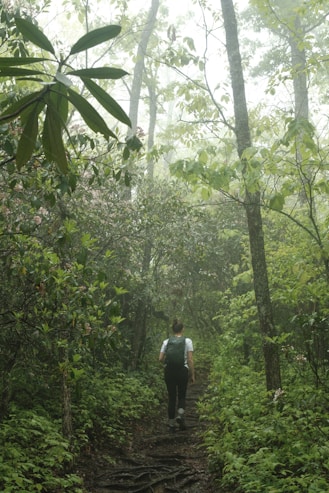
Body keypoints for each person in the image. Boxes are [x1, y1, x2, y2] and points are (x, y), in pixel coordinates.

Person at [159, 319, 195, 432]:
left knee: (171, 397)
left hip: (169, 371)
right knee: (182, 395)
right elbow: (190, 360)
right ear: (182, 329)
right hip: (182, 371)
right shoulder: (187, 341)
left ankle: (171, 424)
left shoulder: (166, 341)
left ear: (173, 329)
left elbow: (160, 358)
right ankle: (180, 415)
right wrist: (192, 374)